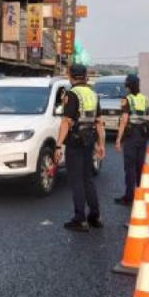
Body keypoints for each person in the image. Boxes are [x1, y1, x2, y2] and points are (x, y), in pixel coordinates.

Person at [54, 64, 105, 231]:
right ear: (85, 76)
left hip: (75, 141)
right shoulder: (93, 94)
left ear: (71, 76)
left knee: (76, 181)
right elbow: (99, 122)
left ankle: (80, 219)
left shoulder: (72, 94)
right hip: (90, 139)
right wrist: (101, 144)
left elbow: (66, 122)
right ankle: (95, 216)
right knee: (87, 178)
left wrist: (58, 145)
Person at [114, 74, 149, 206]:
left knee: (129, 167)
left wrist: (119, 139)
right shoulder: (144, 99)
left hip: (131, 135)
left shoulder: (127, 99)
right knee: (139, 165)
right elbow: (147, 117)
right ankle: (141, 193)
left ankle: (129, 197)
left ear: (128, 86)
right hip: (143, 135)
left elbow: (124, 120)